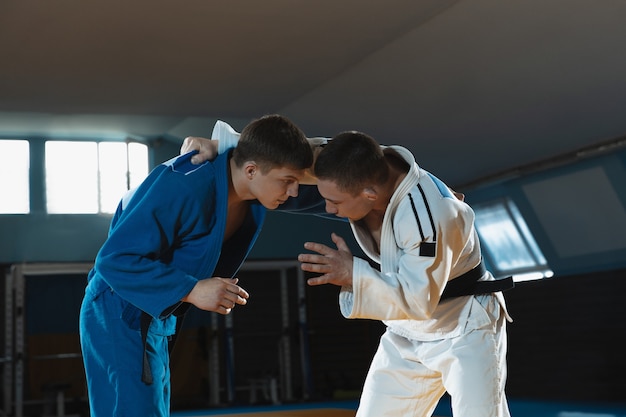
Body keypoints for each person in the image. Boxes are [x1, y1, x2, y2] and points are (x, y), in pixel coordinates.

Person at [184, 127, 514, 417]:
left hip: (463, 326)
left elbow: (417, 300)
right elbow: (291, 153)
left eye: (336, 202)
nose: (328, 209)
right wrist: (222, 146)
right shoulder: (351, 163)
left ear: (369, 194)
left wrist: (353, 272)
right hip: (407, 333)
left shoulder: (429, 217)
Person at [79, 114, 327, 417]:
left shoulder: (253, 188)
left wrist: (222, 142)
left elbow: (331, 176)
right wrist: (192, 288)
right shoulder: (184, 186)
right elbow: (113, 260)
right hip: (119, 306)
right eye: (288, 182)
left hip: (153, 314)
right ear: (251, 170)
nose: (293, 191)